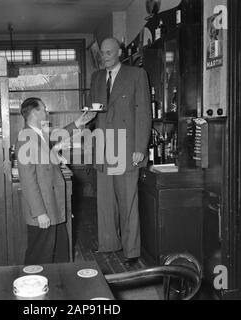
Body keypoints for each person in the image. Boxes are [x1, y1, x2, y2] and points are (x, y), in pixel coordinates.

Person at [89, 37, 152, 266]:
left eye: (108, 52)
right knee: (105, 203)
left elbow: (144, 113)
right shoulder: (96, 78)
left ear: (119, 52)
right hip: (103, 148)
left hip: (126, 149)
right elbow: (92, 115)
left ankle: (131, 251)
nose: (104, 57)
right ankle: (108, 243)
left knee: (128, 203)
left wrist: (139, 148)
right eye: (102, 54)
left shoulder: (136, 75)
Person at [16, 97, 96, 265]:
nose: (47, 112)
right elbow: (28, 181)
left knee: (59, 252)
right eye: (44, 109)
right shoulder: (26, 138)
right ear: (35, 112)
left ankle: (60, 286)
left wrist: (78, 122)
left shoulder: (38, 134)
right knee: (40, 255)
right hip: (44, 209)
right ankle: (31, 287)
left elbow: (54, 143)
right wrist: (40, 213)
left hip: (53, 205)